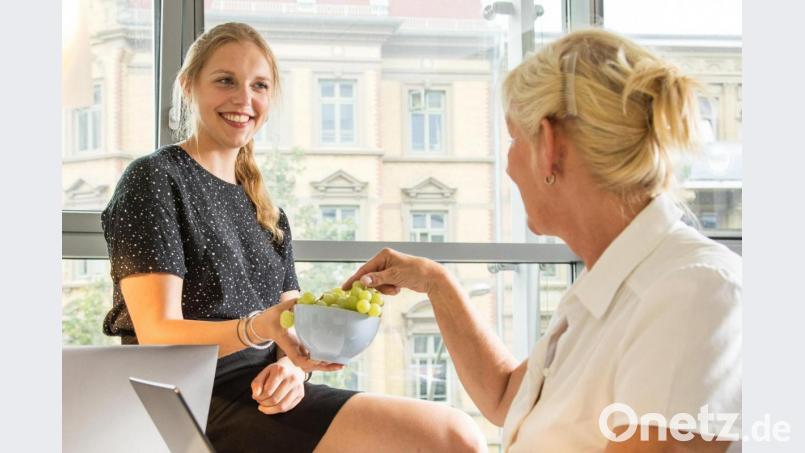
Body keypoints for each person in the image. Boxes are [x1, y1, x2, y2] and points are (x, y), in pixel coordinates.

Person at [343, 29, 741, 452]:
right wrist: (435, 283)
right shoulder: (610, 288)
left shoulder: (693, 292)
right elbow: (507, 399)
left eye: (514, 139)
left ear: (549, 147)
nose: (510, 166)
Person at [101, 22, 485, 453]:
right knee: (452, 435)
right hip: (195, 401)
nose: (244, 99)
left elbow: (293, 327)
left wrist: (293, 372)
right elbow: (156, 331)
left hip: (268, 395)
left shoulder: (269, 212)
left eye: (259, 86)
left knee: (455, 434)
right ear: (188, 86)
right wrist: (256, 328)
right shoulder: (154, 179)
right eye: (225, 81)